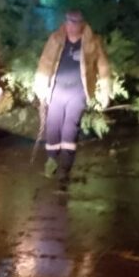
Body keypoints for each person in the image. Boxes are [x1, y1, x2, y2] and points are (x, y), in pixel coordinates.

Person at [33, 10, 112, 185]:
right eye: (69, 22)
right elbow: (45, 62)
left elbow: (103, 66)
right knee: (53, 125)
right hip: (57, 90)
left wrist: (105, 90)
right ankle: (52, 159)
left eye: (75, 23)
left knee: (70, 128)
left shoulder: (92, 42)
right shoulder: (56, 39)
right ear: (65, 23)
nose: (72, 26)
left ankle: (65, 169)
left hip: (77, 92)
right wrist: (40, 86)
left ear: (82, 24)